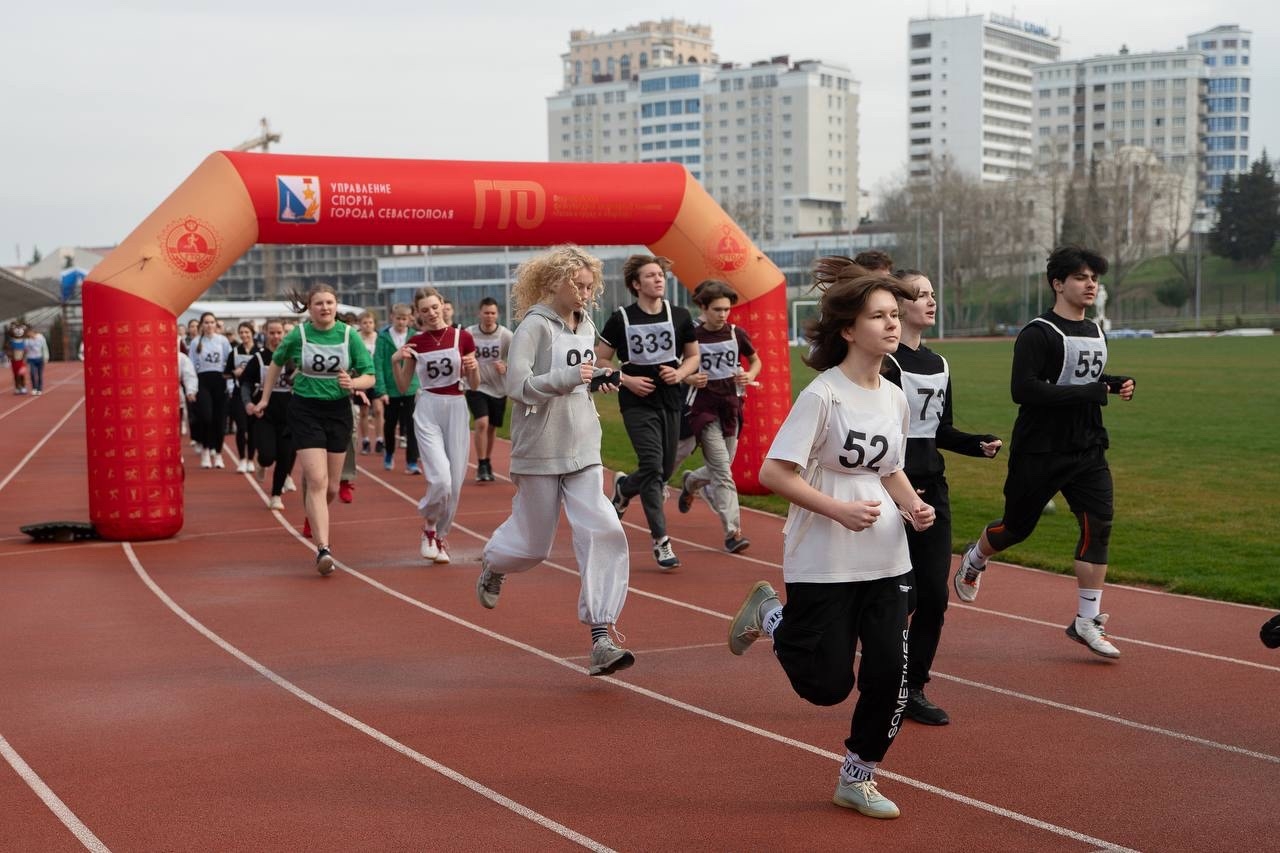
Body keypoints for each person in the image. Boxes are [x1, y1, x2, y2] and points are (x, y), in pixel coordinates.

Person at [728, 259, 933, 820]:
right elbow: (775, 473)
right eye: (879, 316)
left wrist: (912, 505)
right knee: (825, 685)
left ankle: (858, 776)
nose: (892, 324)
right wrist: (839, 510)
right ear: (848, 329)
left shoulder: (894, 395)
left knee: (891, 674)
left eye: (895, 315)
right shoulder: (823, 395)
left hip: (887, 556)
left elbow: (889, 467)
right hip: (824, 555)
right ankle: (770, 614)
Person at [953, 246, 1136, 660]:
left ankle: (1087, 620)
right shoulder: (1038, 333)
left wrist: (1113, 383)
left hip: (1087, 446)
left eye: (1095, 279)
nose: (1091, 285)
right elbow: (1024, 389)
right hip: (1040, 449)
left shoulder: (1096, 331)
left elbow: (1083, 377)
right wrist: (1090, 391)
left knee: (1098, 526)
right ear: (1058, 283)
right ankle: (976, 557)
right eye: (1081, 277)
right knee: (1016, 529)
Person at [477, 245, 634, 676]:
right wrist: (569, 378)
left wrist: (600, 378)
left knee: (603, 528)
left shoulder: (586, 325)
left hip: (583, 444)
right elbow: (517, 386)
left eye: (591, 286)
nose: (587, 294)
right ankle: (495, 563)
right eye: (579, 286)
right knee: (533, 547)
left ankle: (601, 635)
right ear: (554, 282)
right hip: (540, 448)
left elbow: (581, 376)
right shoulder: (533, 326)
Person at [882, 269, 1002, 726]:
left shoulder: (939, 363)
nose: (931, 302)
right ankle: (881, 673)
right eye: (920, 295)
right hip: (891, 490)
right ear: (898, 305)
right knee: (899, 595)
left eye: (933, 294)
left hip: (933, 491)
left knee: (934, 595)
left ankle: (913, 688)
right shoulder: (884, 363)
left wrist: (976, 443)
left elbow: (939, 429)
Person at [248, 285, 375, 576]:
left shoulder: (349, 335)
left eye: (329, 302)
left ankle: (313, 515)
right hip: (305, 410)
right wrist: (265, 398)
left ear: (336, 305)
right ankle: (323, 549)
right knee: (316, 480)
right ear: (310, 307)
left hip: (338, 411)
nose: (325, 308)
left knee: (331, 487)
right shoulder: (299, 335)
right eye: (319, 303)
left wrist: (354, 384)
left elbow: (369, 375)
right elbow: (275, 363)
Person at [597, 254, 700, 570]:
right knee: (653, 467)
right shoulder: (621, 319)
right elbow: (601, 359)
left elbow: (693, 357)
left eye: (660, 275)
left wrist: (679, 374)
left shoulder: (680, 315)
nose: (658, 279)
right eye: (651, 275)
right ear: (636, 284)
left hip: (671, 400)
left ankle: (625, 488)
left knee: (664, 471)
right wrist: (626, 379)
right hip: (636, 402)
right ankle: (661, 540)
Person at [674, 280, 763, 553]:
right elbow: (676, 367)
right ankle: (733, 532)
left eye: (726, 309)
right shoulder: (692, 335)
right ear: (703, 307)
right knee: (723, 471)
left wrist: (749, 375)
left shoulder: (736, 333)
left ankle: (691, 481)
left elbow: (755, 360)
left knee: (722, 466)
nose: (723, 314)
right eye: (717, 309)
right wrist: (689, 377)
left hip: (730, 408)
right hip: (703, 410)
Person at [392, 287, 479, 565]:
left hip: (456, 407)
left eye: (434, 307)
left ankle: (439, 535)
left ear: (442, 305)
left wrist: (473, 367)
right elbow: (403, 386)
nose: (430, 313)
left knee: (455, 483)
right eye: (424, 310)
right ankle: (429, 525)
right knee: (440, 479)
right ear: (417, 314)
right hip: (428, 407)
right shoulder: (416, 342)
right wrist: (395, 361)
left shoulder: (463, 337)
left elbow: (475, 384)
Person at [240, 318, 297, 511]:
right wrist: (248, 402)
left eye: (279, 333)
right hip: (264, 415)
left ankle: (276, 495)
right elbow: (245, 383)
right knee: (267, 455)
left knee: (285, 457)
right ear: (265, 333)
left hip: (288, 415)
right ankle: (261, 463)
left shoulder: (292, 357)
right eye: (272, 333)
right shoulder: (258, 358)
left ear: (284, 334)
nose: (276, 337)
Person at [466, 296, 514, 482]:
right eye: (486, 313)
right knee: (482, 423)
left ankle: (487, 460)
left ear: (497, 314)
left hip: (498, 388)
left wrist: (506, 366)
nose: (489, 316)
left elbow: (519, 358)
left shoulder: (505, 335)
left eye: (492, 313)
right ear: (480, 313)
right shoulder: (470, 334)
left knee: (492, 427)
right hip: (476, 385)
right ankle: (481, 463)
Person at [373, 303, 422, 475]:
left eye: (404, 319)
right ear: (392, 318)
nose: (401, 322)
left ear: (410, 319)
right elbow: (378, 363)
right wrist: (381, 390)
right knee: (390, 424)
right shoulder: (383, 338)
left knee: (412, 425)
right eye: (398, 318)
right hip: (391, 388)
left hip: (411, 387)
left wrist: (420, 386)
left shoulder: (414, 336)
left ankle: (412, 461)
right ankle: (389, 452)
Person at [191, 312, 232, 468]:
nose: (209, 325)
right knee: (206, 417)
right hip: (203, 381)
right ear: (202, 325)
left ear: (216, 324)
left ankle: (218, 454)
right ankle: (206, 451)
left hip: (220, 381)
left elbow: (229, 362)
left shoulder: (222, 341)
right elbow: (191, 364)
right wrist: (192, 387)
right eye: (206, 322)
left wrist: (230, 384)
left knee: (219, 419)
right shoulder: (196, 342)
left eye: (212, 322)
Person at [226, 321, 260, 473]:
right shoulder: (234, 352)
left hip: (255, 394)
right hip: (238, 393)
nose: (244, 335)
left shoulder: (259, 351)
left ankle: (251, 459)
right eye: (241, 332)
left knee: (252, 428)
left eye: (247, 332)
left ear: (252, 333)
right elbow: (225, 373)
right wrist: (234, 372)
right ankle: (241, 459)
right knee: (241, 427)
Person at [355, 310, 384, 456]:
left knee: (378, 409)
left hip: (376, 378)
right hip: (362, 378)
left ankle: (379, 440)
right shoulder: (356, 338)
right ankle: (365, 440)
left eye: (370, 322)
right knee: (364, 411)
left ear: (374, 324)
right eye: (364, 323)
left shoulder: (379, 338)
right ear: (360, 324)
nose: (368, 325)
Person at [23, 325, 48, 396]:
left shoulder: (40, 337)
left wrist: (46, 357)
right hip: (31, 359)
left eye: (29, 333)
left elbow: (44, 347)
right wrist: (24, 359)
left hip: (39, 358)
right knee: (32, 373)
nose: (28, 334)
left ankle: (39, 389)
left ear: (32, 331)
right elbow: (25, 350)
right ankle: (34, 388)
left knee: (40, 374)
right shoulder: (27, 340)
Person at [6, 323, 28, 395]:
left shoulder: (24, 341)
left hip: (22, 361)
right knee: (15, 375)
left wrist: (25, 357)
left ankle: (23, 387)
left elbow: (26, 350)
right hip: (14, 361)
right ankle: (17, 387)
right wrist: (9, 355)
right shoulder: (11, 341)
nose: (18, 331)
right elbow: (8, 350)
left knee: (21, 374)